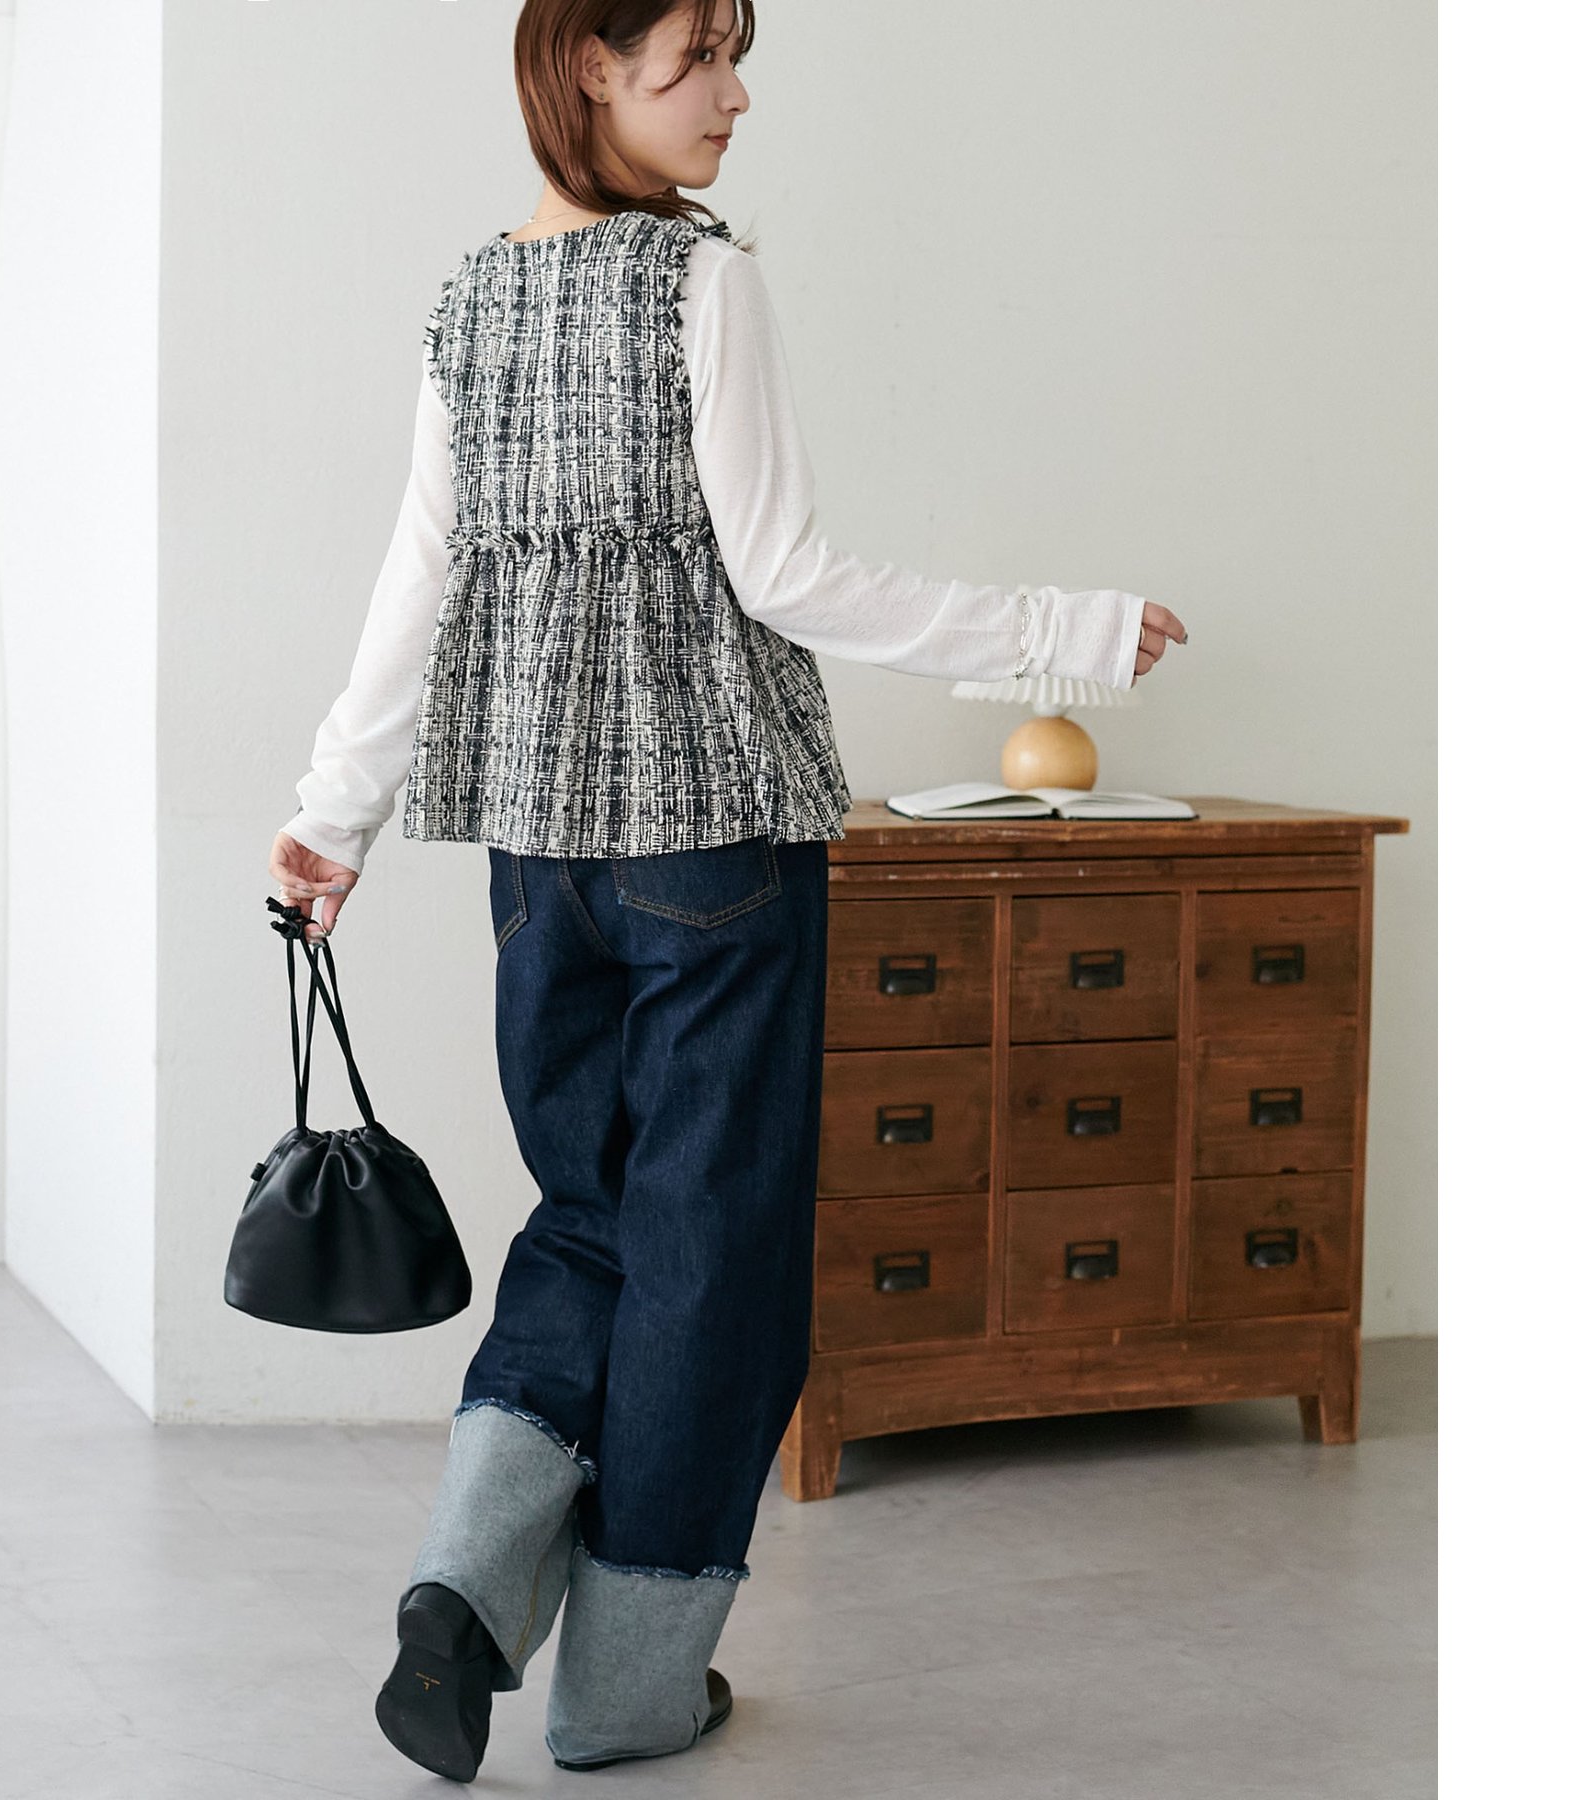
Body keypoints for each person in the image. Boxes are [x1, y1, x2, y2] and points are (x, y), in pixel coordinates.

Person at [267, 0, 1188, 1780]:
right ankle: (626, 1686)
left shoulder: (469, 300)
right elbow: (785, 573)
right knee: (714, 1259)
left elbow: (416, 579)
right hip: (716, 845)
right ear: (589, 67)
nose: (736, 95)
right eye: (696, 58)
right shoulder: (699, 277)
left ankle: (463, 1586)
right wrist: (1058, 632)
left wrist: (333, 816)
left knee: (587, 1216)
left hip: (537, 853)